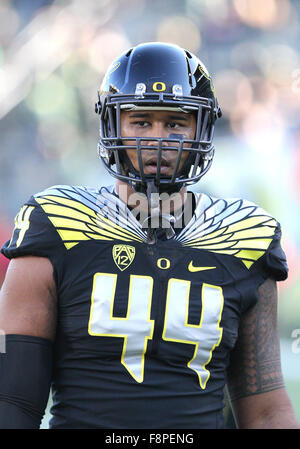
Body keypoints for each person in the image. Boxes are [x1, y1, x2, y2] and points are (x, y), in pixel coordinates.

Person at [0, 42, 299, 430]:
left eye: (175, 123)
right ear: (113, 124)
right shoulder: (58, 224)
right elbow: (12, 398)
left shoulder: (243, 238)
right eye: (141, 122)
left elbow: (266, 410)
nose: (158, 139)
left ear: (201, 128)